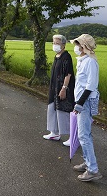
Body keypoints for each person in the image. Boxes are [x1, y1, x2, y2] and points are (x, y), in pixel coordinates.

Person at [70, 34, 102, 182]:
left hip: (86, 102)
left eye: (78, 44)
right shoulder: (83, 61)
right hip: (82, 101)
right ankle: (87, 162)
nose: (76, 47)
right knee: (84, 134)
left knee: (84, 135)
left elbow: (90, 86)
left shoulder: (90, 62)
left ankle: (93, 169)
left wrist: (80, 103)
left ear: (84, 47)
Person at [43, 35, 75, 146]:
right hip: (54, 87)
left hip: (62, 88)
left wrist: (64, 89)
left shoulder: (66, 57)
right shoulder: (57, 56)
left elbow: (68, 74)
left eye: (57, 43)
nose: (55, 45)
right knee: (52, 109)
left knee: (64, 111)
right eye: (53, 43)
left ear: (63, 45)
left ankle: (72, 136)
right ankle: (54, 132)